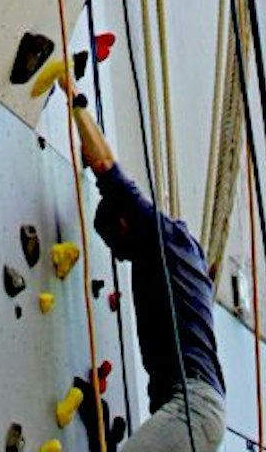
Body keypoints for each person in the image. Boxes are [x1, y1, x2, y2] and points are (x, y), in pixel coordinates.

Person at [70, 87, 228, 452]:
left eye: (113, 242)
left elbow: (105, 166)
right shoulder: (181, 252)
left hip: (192, 407)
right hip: (195, 409)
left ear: (123, 224)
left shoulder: (159, 236)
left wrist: (74, 100)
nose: (118, 255)